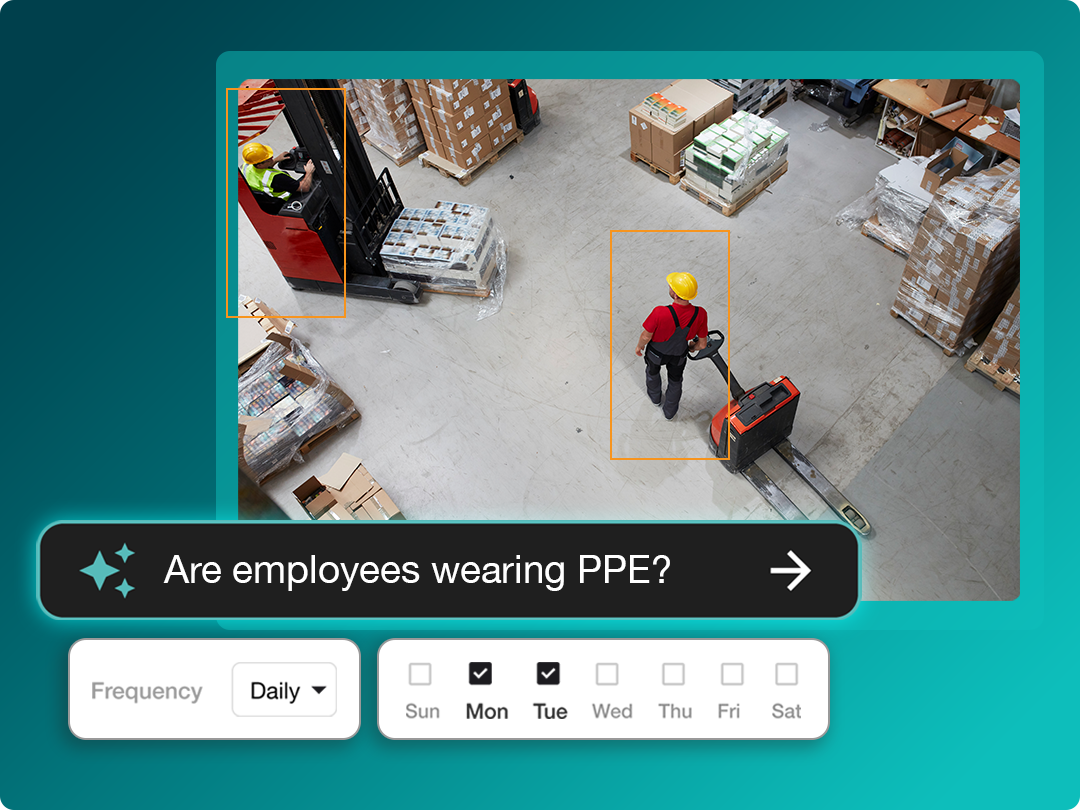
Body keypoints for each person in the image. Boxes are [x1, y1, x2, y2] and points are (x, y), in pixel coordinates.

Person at [635, 272, 708, 420]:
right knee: (675, 381)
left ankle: (655, 398)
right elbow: (702, 344)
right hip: (679, 355)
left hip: (656, 354)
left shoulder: (660, 312)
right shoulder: (700, 314)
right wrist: (691, 348)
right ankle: (670, 412)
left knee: (652, 373)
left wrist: (639, 347)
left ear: (675, 294)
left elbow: (645, 336)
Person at [240, 142, 316, 215]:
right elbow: (304, 187)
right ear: (259, 164)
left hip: (267, 196)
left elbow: (260, 171)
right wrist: (309, 171)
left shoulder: (246, 166)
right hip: (285, 200)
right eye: (268, 159)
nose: (271, 158)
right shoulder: (276, 178)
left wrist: (276, 160)